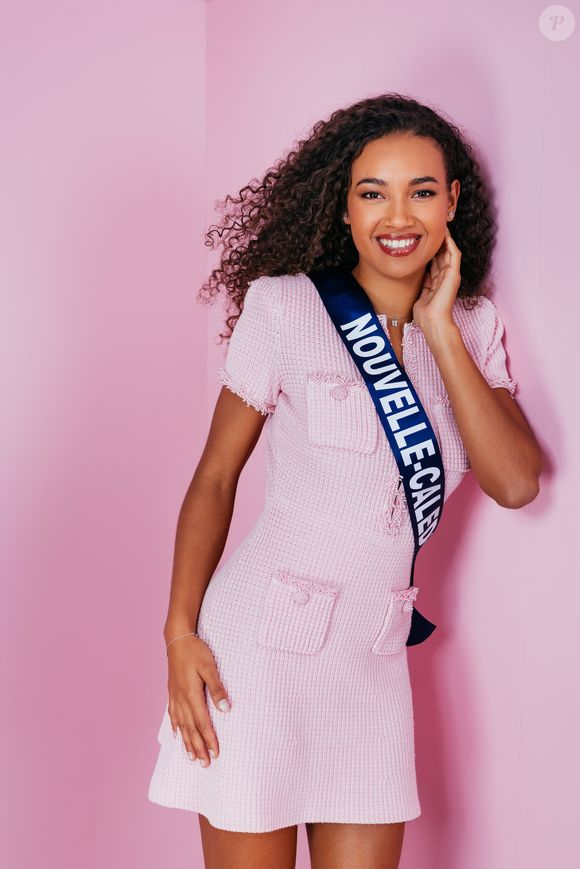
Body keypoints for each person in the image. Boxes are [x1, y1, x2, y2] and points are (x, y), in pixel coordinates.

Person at [147, 93, 542, 869]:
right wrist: (179, 632)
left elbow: (517, 481)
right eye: (374, 192)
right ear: (347, 205)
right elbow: (215, 477)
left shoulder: (473, 324)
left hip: (370, 665)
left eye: (422, 191)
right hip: (254, 657)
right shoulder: (287, 306)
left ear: (452, 200)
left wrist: (437, 331)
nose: (400, 215)